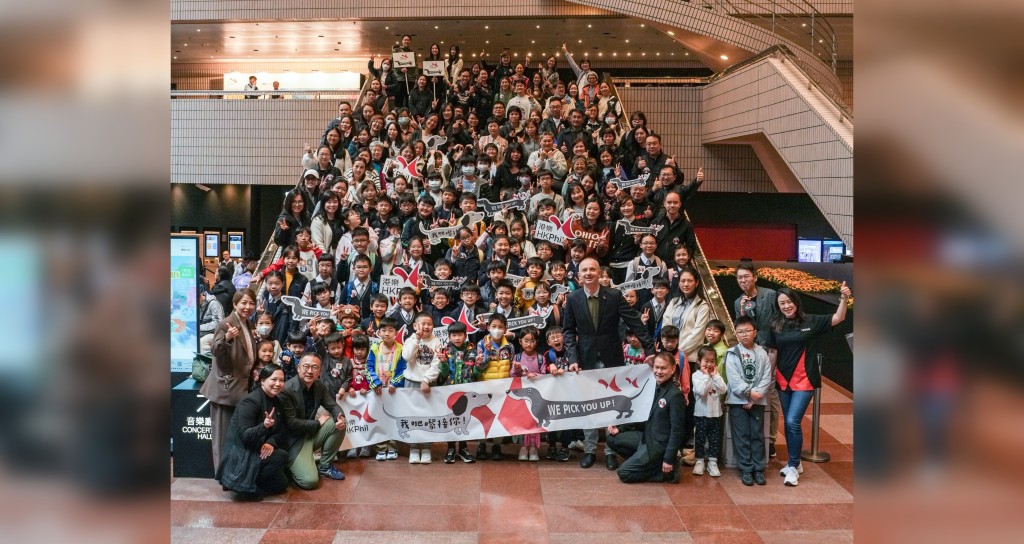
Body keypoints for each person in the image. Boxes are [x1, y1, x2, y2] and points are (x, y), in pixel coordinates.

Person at [563, 257, 654, 470]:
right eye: (584, 270)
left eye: (592, 269)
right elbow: (568, 331)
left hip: (612, 358)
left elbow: (634, 321)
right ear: (579, 275)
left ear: (599, 273)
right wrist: (573, 359)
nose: (588, 273)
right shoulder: (574, 298)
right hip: (585, 361)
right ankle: (590, 449)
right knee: (589, 407)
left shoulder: (613, 296)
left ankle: (612, 449)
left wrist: (649, 348)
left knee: (613, 405)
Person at [769, 284, 852, 486]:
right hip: (782, 379)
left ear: (796, 302)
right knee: (787, 424)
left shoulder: (811, 321)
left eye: (789, 301)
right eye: (782, 303)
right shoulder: (775, 324)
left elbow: (838, 318)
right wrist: (769, 376)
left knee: (792, 422)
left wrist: (843, 298)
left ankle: (793, 466)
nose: (786, 306)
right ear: (778, 306)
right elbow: (773, 352)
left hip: (805, 379)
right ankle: (794, 464)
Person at [200, 288, 259, 472]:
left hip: (242, 389)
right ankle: (222, 474)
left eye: (251, 303)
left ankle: (233, 472)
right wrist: (227, 338)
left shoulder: (248, 324)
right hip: (226, 390)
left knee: (236, 435)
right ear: (234, 304)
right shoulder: (226, 324)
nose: (247, 307)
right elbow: (216, 350)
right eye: (243, 303)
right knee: (222, 436)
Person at [605, 352, 684, 483]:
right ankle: (648, 464)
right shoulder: (653, 387)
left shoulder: (675, 395)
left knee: (624, 473)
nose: (659, 371)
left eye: (663, 368)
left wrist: (668, 459)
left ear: (673, 369)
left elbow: (677, 431)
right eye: (656, 367)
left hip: (658, 446)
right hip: (645, 437)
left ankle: (663, 473)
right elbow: (641, 417)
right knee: (612, 438)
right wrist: (620, 428)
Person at [216, 363, 289, 501]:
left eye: (281, 380)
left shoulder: (276, 400)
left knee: (282, 484)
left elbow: (281, 429)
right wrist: (264, 426)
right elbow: (245, 436)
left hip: (260, 446)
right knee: (281, 457)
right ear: (262, 380)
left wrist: (270, 443)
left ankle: (250, 483)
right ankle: (245, 486)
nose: (278, 384)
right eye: (274, 379)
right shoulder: (250, 401)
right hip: (243, 453)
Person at [278, 353, 348, 488]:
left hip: (309, 435)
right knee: (310, 482)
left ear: (320, 372)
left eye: (314, 367)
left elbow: (333, 406)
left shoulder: (319, 386)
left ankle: (324, 466)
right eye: (306, 366)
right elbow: (291, 423)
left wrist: (340, 417)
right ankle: (295, 465)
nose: (310, 371)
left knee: (338, 423)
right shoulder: (286, 390)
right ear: (298, 368)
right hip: (293, 441)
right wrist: (318, 423)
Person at [725, 316, 773, 486]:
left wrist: (755, 396)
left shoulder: (762, 353)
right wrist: (748, 394)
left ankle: (758, 469)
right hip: (738, 401)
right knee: (742, 435)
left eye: (747, 331)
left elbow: (767, 376)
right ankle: (746, 469)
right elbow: (733, 379)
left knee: (757, 435)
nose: (744, 334)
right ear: (736, 334)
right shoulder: (732, 353)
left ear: (755, 332)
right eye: (740, 332)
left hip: (758, 400)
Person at [401, 312, 445, 464]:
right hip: (411, 382)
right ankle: (413, 447)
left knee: (428, 415)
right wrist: (417, 339)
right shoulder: (410, 340)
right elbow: (407, 357)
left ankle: (426, 448)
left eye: (429, 324)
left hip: (429, 384)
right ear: (415, 326)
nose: (426, 327)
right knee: (412, 415)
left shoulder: (437, 342)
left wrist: (426, 380)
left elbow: (437, 364)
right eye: (423, 324)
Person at [367, 316, 407, 461]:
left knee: (393, 419)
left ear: (396, 333)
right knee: (379, 419)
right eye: (383, 330)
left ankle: (393, 447)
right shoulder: (374, 348)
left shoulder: (401, 349)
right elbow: (369, 367)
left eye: (390, 330)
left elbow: (404, 369)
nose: (386, 333)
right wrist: (376, 383)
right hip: (378, 391)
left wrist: (395, 383)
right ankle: (381, 448)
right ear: (378, 332)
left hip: (394, 391)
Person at [509, 327, 546, 462]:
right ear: (520, 341)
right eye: (526, 341)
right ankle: (523, 447)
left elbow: (544, 375)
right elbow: (512, 375)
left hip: (536, 397)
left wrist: (535, 376)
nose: (529, 344)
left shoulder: (541, 358)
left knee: (535, 421)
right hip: (522, 397)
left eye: (532, 341)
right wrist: (516, 369)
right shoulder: (517, 357)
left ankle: (534, 448)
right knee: (523, 421)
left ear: (536, 342)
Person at [691, 345, 727, 478]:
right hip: (701, 414)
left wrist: (716, 376)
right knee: (699, 438)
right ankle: (699, 461)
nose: (709, 364)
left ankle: (712, 462)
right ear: (699, 361)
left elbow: (723, 389)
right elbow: (701, 391)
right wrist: (707, 376)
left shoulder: (716, 375)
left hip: (716, 414)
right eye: (706, 361)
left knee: (714, 439)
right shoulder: (696, 376)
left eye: (712, 361)